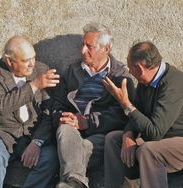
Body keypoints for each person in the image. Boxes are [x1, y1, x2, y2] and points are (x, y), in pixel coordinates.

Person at [103, 41, 183, 188]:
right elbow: (138, 113)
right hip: (161, 140)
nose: (129, 72)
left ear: (139, 68)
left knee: (148, 150)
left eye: (130, 67)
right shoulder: (145, 83)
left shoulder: (173, 85)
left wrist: (126, 104)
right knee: (113, 139)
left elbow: (154, 133)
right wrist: (128, 135)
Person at [52, 22, 135, 188]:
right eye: (83, 45)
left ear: (106, 48)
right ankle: (76, 183)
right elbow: (57, 103)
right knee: (64, 129)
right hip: (71, 132)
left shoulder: (120, 77)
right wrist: (62, 118)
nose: (83, 51)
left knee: (79, 151)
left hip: (101, 135)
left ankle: (73, 182)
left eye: (89, 46)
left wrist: (87, 122)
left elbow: (122, 116)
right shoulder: (73, 70)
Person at [0, 35, 60, 188]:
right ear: (9, 61)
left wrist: (37, 141)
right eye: (26, 60)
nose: (32, 64)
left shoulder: (41, 69)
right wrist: (34, 86)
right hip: (2, 135)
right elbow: (0, 106)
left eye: (33, 58)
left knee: (51, 157)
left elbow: (49, 112)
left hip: (31, 135)